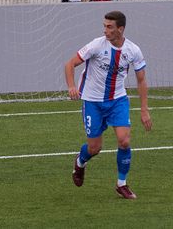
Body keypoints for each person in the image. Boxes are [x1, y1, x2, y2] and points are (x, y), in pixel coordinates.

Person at [64, 11, 152, 199]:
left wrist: (144, 109)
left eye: (109, 27)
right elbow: (70, 64)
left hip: (118, 100)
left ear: (120, 29)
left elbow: (142, 80)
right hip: (92, 101)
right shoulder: (96, 45)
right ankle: (80, 162)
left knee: (124, 140)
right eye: (104, 26)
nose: (105, 30)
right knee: (95, 148)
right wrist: (71, 86)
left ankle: (122, 184)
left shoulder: (133, 50)